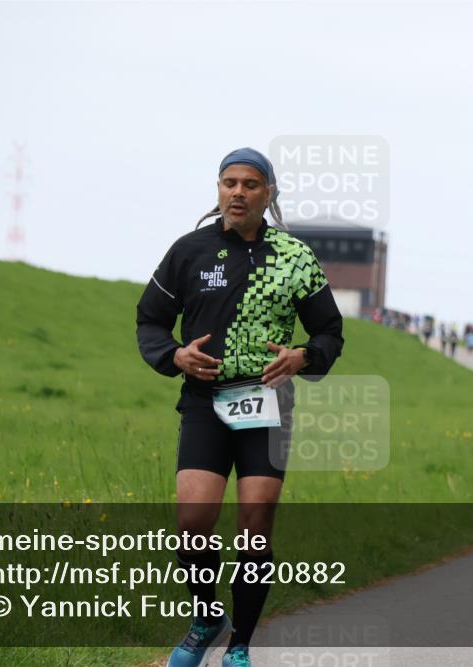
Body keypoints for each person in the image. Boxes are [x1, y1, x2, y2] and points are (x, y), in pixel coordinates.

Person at [136, 147, 343, 667]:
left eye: (251, 184)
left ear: (268, 194)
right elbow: (150, 321)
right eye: (229, 182)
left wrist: (304, 356)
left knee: (254, 526)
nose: (238, 192)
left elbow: (330, 330)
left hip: (267, 403)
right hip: (205, 401)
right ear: (218, 189)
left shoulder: (294, 256)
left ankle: (241, 645)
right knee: (193, 523)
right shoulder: (189, 251)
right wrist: (175, 355)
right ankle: (207, 617)